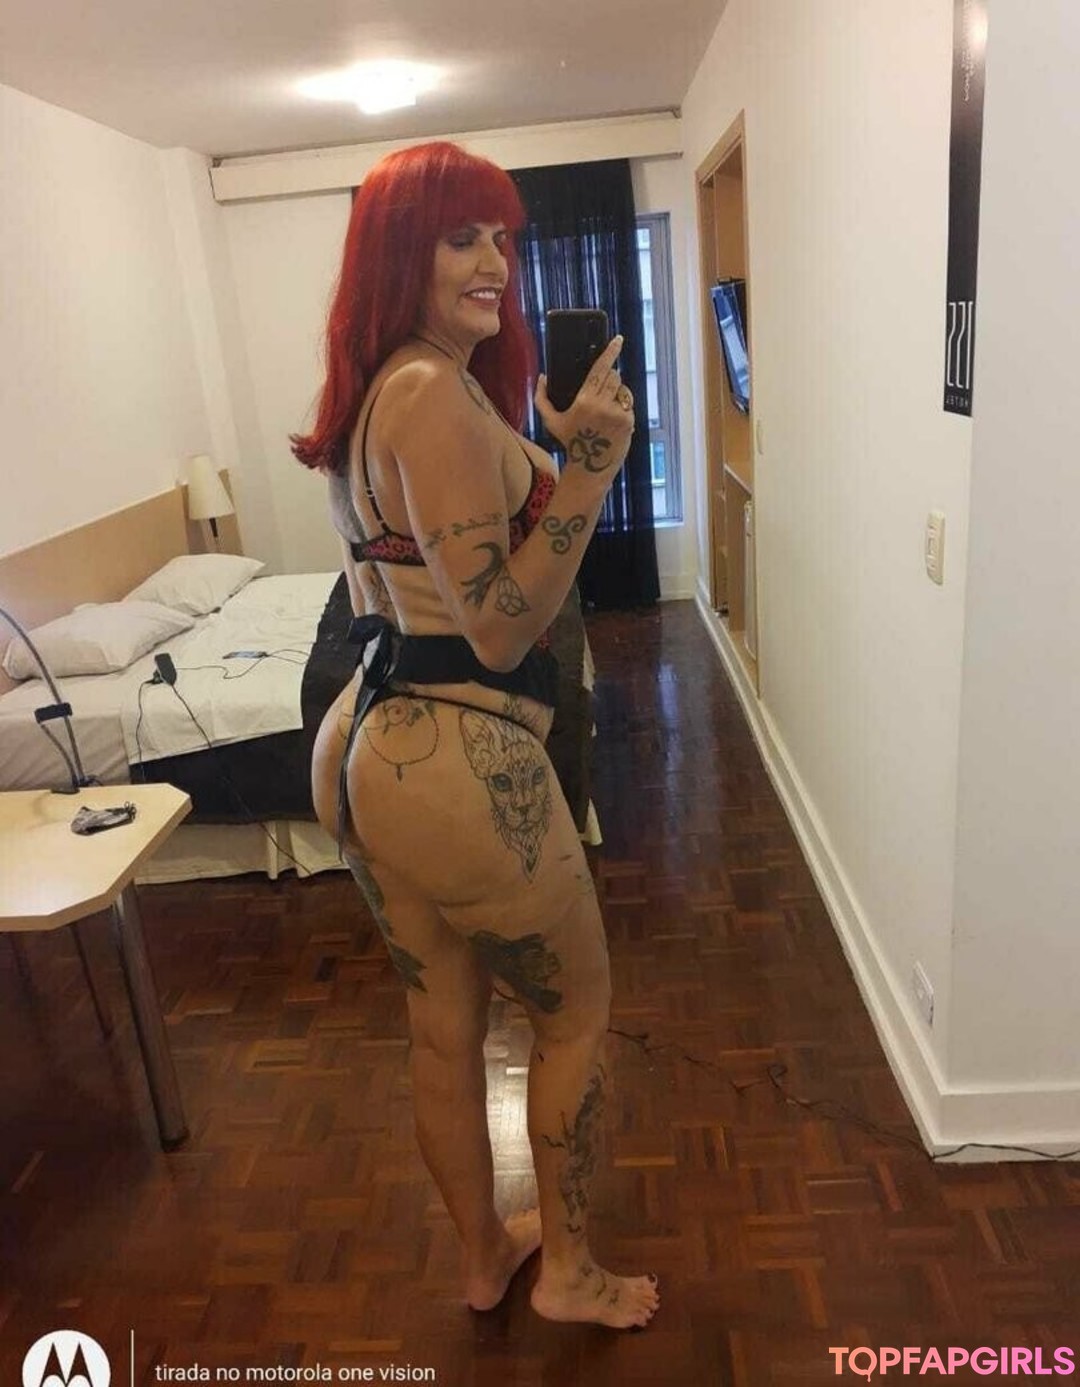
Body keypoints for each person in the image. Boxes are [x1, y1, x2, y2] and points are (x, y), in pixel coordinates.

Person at [291, 141, 658, 1330]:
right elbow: (499, 626)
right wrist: (589, 471)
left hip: (370, 743)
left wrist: (548, 452)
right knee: (575, 1013)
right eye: (462, 238)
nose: (494, 261)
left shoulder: (386, 390)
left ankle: (484, 1255)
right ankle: (571, 1273)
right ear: (401, 255)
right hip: (457, 751)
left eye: (501, 237)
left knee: (443, 1026)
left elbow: (431, 577)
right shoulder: (431, 395)